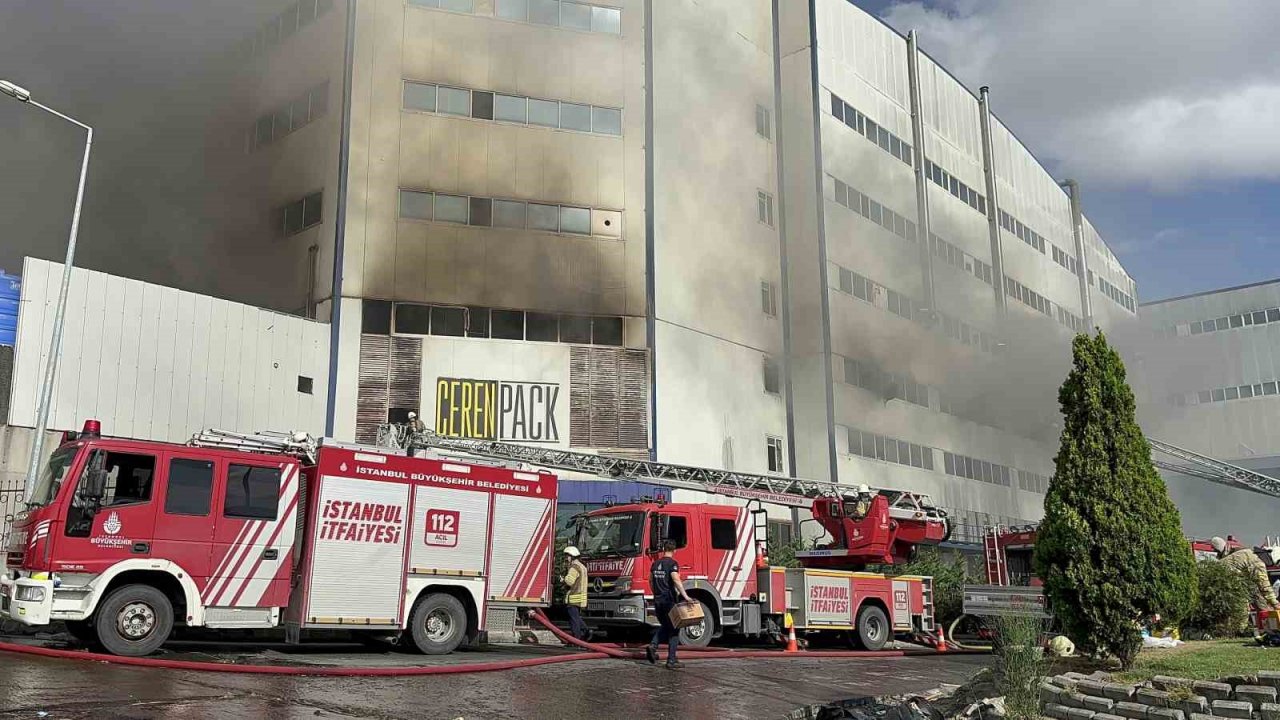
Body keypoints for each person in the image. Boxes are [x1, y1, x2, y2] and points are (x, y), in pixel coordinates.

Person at [647, 541, 692, 669]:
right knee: (675, 628)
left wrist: (656, 593)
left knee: (666, 626)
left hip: (658, 601)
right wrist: (686, 597)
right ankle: (670, 660)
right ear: (674, 550)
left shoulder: (655, 564)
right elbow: (676, 580)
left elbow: (650, 580)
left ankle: (657, 648)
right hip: (669, 601)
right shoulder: (672, 564)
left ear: (663, 549)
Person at [1213, 536, 1280, 613]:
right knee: (1242, 610)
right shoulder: (1258, 563)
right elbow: (1265, 586)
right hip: (1223, 580)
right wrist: (1275, 604)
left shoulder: (1250, 553)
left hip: (1219, 578)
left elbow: (1255, 588)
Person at [561, 546, 590, 641]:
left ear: (572, 556)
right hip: (580, 597)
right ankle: (586, 632)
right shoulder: (582, 566)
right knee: (576, 617)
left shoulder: (574, 567)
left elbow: (569, 581)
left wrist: (563, 579)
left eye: (567, 556)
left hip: (574, 597)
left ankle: (576, 639)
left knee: (573, 620)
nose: (566, 558)